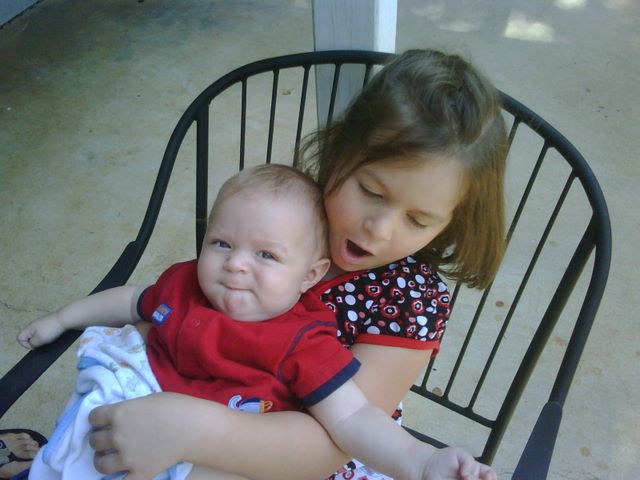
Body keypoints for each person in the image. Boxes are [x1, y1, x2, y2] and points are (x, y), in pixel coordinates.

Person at [25, 48, 508, 480]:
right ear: (341, 149)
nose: (379, 229)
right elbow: (171, 307)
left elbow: (333, 442)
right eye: (371, 191)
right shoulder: (285, 215)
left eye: (418, 220)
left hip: (297, 456)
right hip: (194, 397)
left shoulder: (408, 301)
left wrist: (190, 428)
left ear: (450, 222)